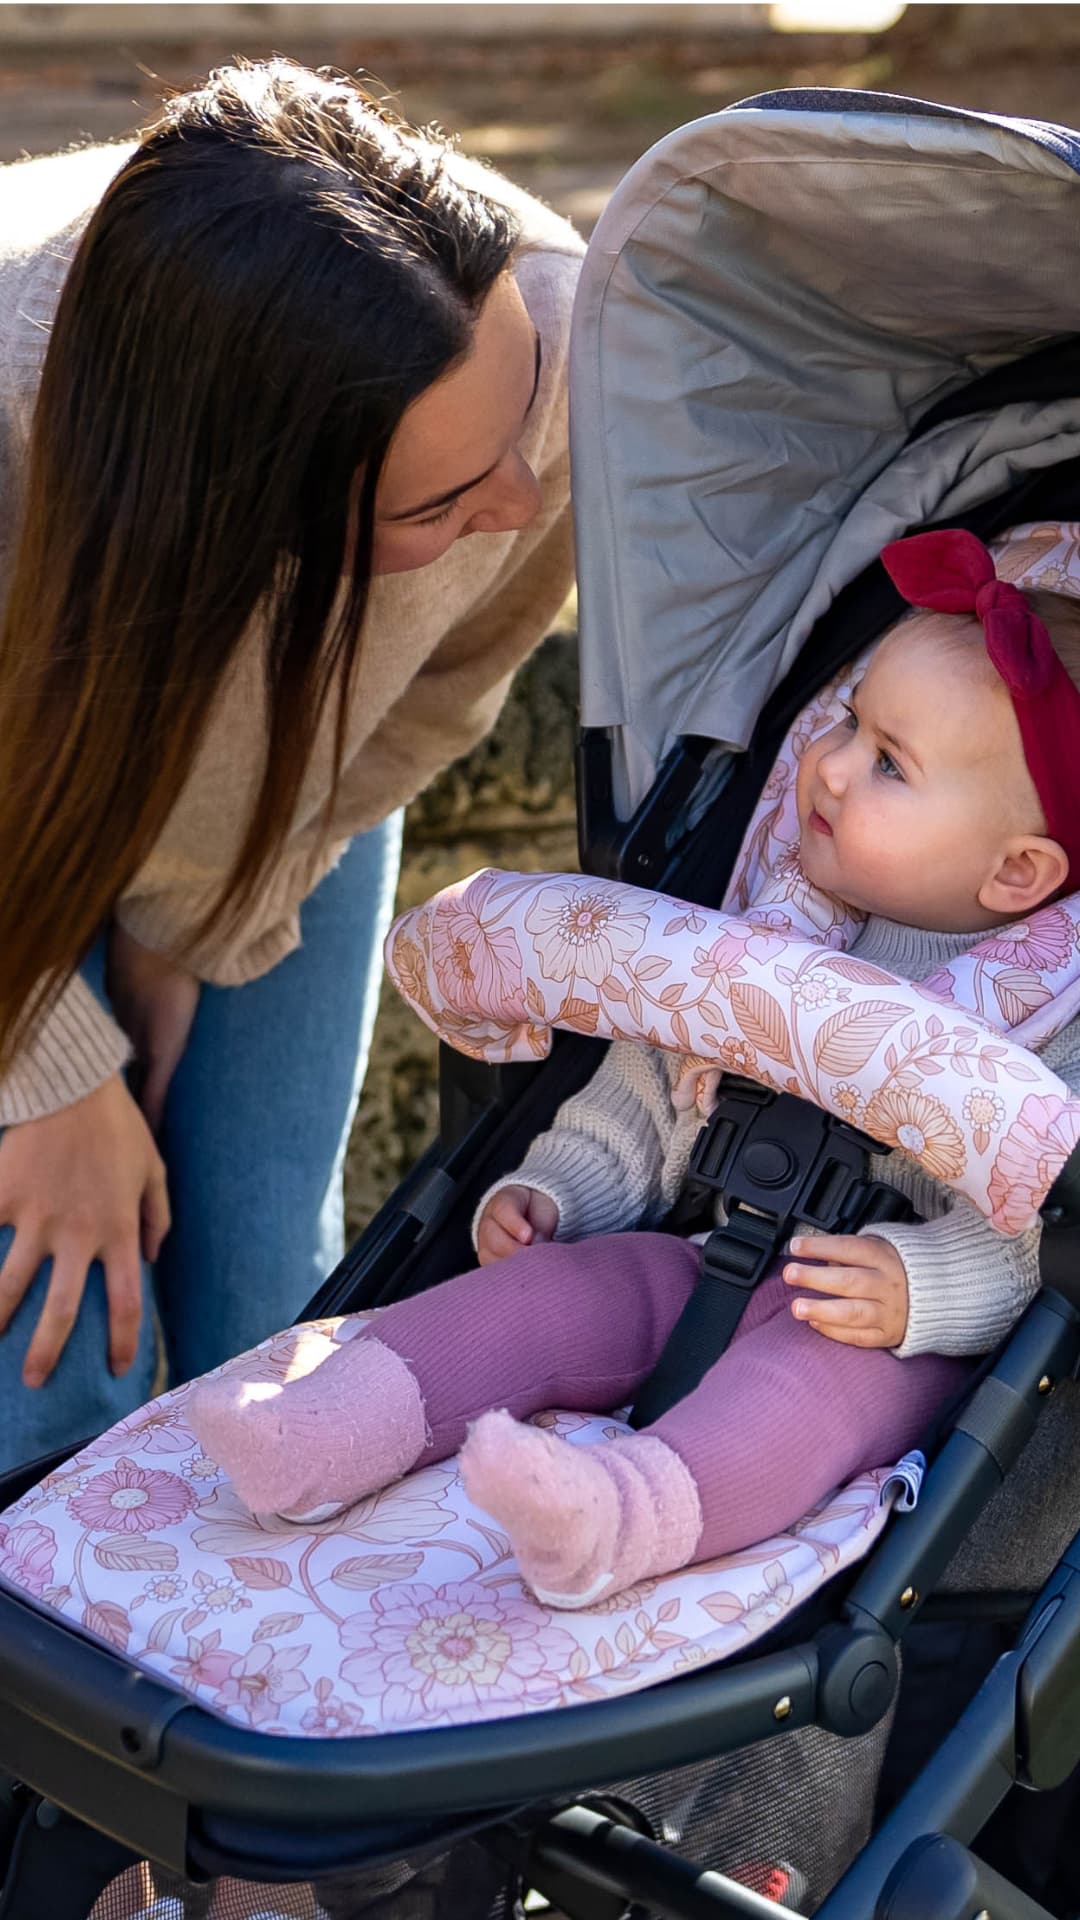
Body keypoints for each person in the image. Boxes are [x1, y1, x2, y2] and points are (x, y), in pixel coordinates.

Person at [191, 527, 1080, 1608]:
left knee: (801, 1398)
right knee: (552, 1293)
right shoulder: (771, 925)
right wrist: (556, 1191)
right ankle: (326, 1427)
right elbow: (644, 1097)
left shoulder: (1048, 1019)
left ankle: (618, 1518)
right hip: (706, 1248)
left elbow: (1041, 1231)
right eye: (846, 721)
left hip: (881, 1334)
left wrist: (922, 1285)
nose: (829, 766)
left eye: (889, 763)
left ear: (1018, 871)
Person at [0, 59, 583, 1472]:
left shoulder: (560, 354)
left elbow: (437, 696)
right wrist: (47, 1065)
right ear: (232, 496)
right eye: (442, 504)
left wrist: (200, 919)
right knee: (53, 1327)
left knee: (270, 1299)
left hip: (295, 810)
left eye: (518, 438)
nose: (517, 506)